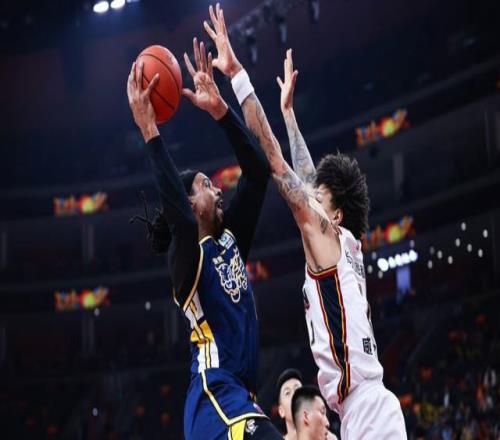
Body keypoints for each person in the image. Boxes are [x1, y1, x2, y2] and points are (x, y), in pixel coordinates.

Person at [203, 4, 407, 438]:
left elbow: (278, 165)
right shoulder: (341, 243)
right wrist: (291, 116)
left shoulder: (330, 237)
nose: (310, 195)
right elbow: (310, 180)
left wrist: (238, 75)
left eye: (319, 197)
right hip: (361, 410)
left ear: (334, 213)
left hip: (368, 410)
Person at [127, 37, 282, 439]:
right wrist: (150, 131)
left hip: (239, 396)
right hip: (213, 395)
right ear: (192, 205)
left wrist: (221, 111)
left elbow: (257, 172)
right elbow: (178, 219)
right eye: (206, 186)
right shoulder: (188, 260)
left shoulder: (230, 241)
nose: (218, 190)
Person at [276, 369, 337, 440]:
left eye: (297, 389)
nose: (294, 394)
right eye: (287, 393)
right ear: (281, 411)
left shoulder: (327, 438)